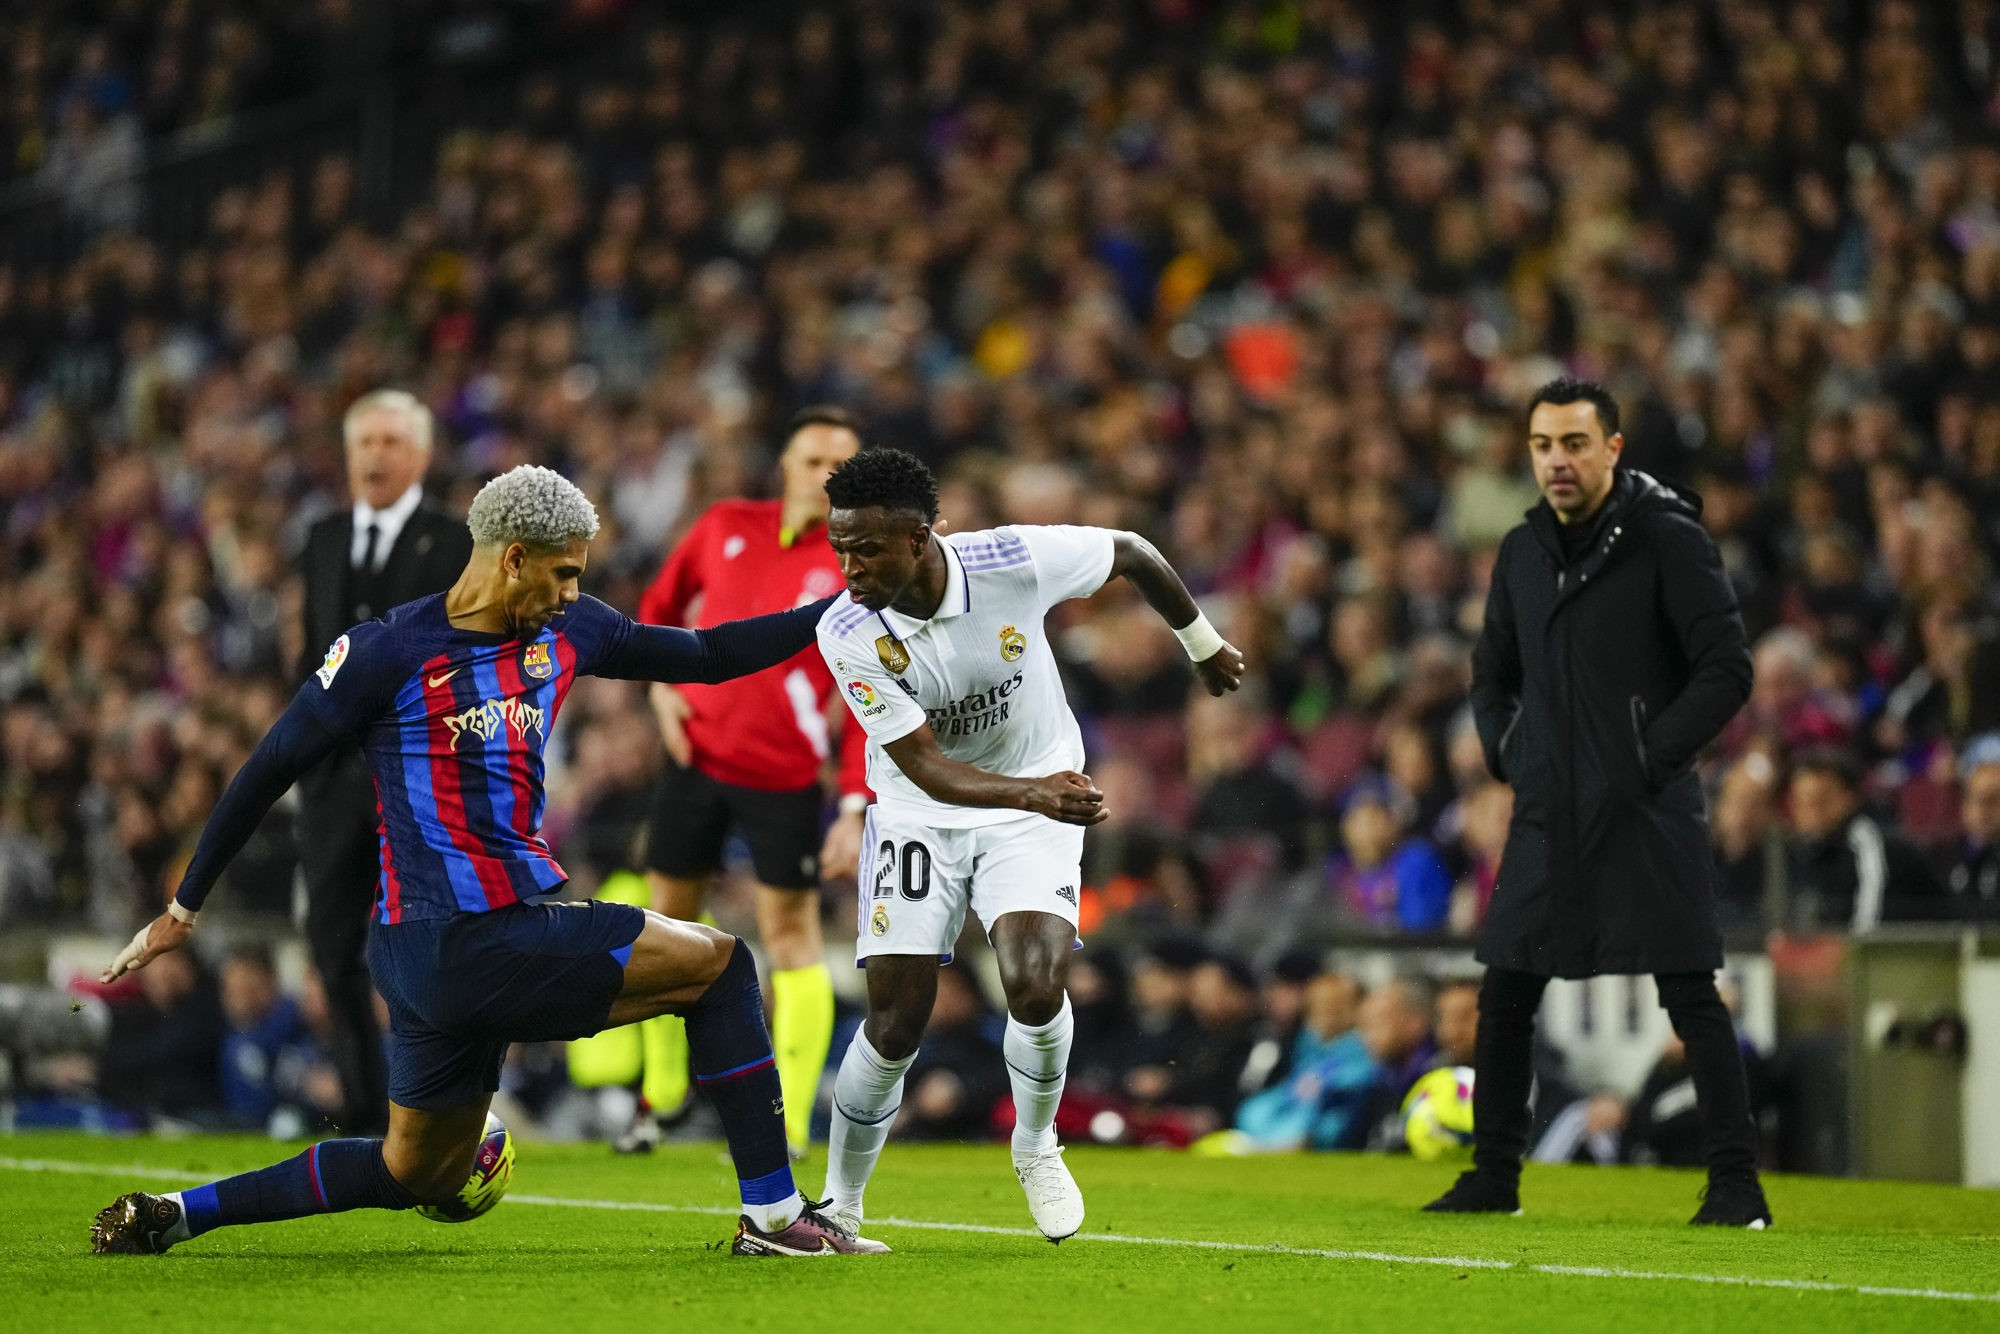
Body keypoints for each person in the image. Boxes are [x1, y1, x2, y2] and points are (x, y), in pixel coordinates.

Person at [88, 465, 887, 1258]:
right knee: (720, 966)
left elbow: (707, 653)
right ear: (513, 558)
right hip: (479, 937)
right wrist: (183, 906)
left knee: (418, 1172)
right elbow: (269, 768)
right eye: (564, 571)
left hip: (418, 956)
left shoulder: (561, 634)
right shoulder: (387, 651)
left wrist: (837, 608)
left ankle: (177, 1213)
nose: (574, 591)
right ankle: (777, 1220)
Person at [811, 448, 1244, 1242]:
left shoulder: (1010, 561)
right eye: (839, 546)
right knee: (896, 1022)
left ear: (920, 539)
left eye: (866, 547)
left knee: (1036, 984)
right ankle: (840, 1201)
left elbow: (1134, 554)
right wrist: (1036, 793)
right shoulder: (845, 631)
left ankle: (1037, 1142)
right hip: (920, 815)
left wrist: (1202, 643)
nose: (849, 565)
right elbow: (927, 768)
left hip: (1032, 799)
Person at [1427, 378, 1772, 1227]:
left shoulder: (1665, 537)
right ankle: (1495, 1175)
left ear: (1613, 448)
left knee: (1692, 992)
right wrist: (1512, 753)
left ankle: (1736, 1185)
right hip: (1551, 806)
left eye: (1575, 443)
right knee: (1506, 990)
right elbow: (1490, 672)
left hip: (1644, 806)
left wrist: (1647, 758)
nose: (1557, 461)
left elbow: (1726, 667)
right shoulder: (1522, 551)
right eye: (1543, 445)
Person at [625, 406, 869, 1155]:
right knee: (666, 919)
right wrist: (661, 688)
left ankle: (788, 1117)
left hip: (784, 774)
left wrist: (854, 806)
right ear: (785, 467)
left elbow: (870, 693)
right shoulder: (723, 523)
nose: (823, 477)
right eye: (810, 460)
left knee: (790, 933)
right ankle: (658, 1100)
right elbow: (656, 613)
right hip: (695, 756)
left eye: (842, 466)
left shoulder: (858, 566)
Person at [296, 390, 474, 1135]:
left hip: (418, 776)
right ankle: (364, 1107)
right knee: (332, 944)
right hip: (335, 776)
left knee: (434, 943)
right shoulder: (324, 537)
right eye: (364, 441)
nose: (375, 454)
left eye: (392, 441)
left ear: (423, 455)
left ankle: (442, 1103)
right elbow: (315, 653)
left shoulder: (454, 539)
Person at [1785, 749, 1945, 929]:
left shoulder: (1870, 842)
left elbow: (1868, 930)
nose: (1811, 810)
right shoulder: (1800, 851)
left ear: (1849, 798)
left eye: (1822, 799)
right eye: (1802, 801)